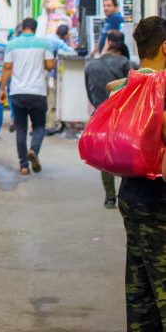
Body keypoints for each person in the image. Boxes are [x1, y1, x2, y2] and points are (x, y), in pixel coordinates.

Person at [112, 17, 166, 330]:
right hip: (158, 200)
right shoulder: (158, 92)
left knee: (140, 286)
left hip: (131, 197)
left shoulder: (126, 87)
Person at [0, 17, 56, 175]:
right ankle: (34, 151)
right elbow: (50, 65)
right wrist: (41, 63)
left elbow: (7, 68)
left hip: (17, 92)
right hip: (37, 92)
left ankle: (24, 165)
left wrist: (2, 89)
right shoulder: (44, 43)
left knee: (21, 129)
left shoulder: (12, 44)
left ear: (22, 28)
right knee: (39, 126)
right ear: (35, 28)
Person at [84, 30, 132, 209]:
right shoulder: (126, 63)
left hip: (100, 115)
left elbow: (89, 92)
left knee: (105, 157)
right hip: (122, 116)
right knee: (126, 155)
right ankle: (125, 192)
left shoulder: (91, 65)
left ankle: (110, 197)